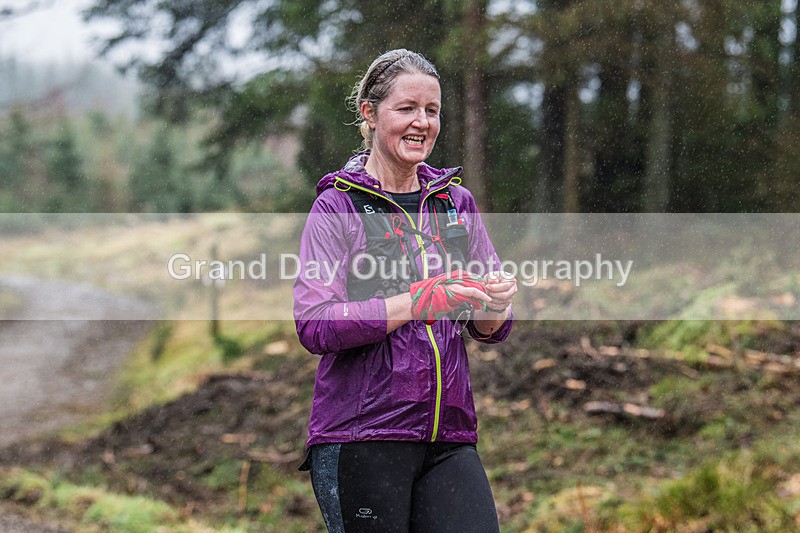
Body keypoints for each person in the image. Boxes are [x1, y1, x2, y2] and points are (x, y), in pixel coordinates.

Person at [293, 48, 517, 533]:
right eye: (407, 109)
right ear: (369, 114)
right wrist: (416, 301)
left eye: (432, 111)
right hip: (361, 434)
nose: (422, 123)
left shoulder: (456, 203)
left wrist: (495, 301)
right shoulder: (337, 208)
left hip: (449, 433)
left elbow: (489, 327)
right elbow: (315, 323)